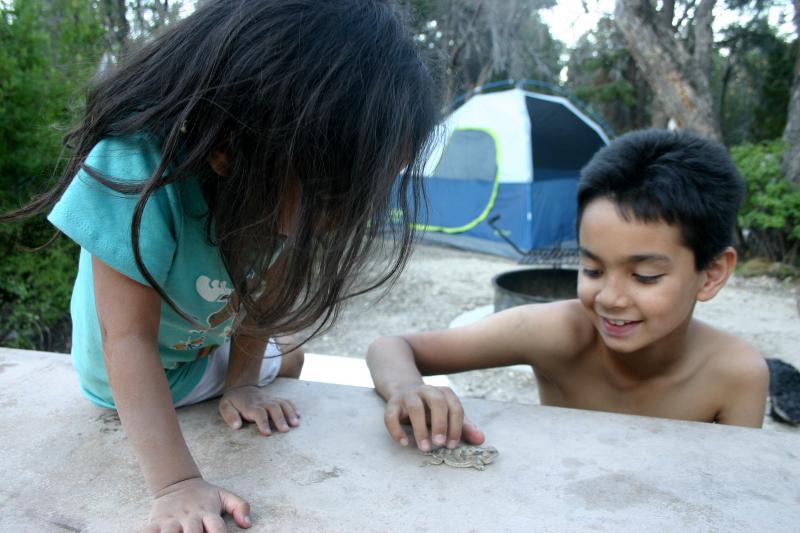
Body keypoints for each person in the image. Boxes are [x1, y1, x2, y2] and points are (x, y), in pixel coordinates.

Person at [2, 0, 438, 529]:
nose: (352, 212)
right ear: (232, 148)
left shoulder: (275, 187)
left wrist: (243, 385)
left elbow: (264, 300)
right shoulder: (135, 166)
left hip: (201, 345)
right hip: (128, 377)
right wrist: (177, 483)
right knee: (295, 358)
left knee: (287, 352)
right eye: (344, 188)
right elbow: (126, 339)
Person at [367, 129, 770, 454]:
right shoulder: (557, 332)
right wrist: (407, 389)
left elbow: (729, 489)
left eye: (645, 276)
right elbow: (391, 346)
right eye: (592, 268)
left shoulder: (735, 375)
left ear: (712, 273)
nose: (610, 297)